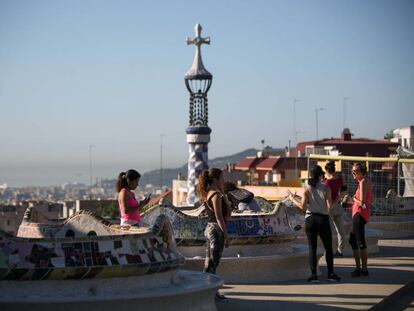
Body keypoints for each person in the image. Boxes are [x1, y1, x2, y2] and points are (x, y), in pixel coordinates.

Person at [287, 165, 341, 283]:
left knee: (312, 248)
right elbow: (329, 206)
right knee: (328, 248)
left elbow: (302, 207)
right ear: (321, 175)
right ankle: (330, 274)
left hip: (310, 220)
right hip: (323, 220)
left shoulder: (307, 188)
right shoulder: (326, 188)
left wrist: (291, 198)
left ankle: (314, 275)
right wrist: (339, 197)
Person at [197, 168, 231, 299]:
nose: (223, 180)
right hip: (216, 231)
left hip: (210, 229)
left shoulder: (208, 193)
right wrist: (226, 236)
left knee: (209, 263)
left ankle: (209, 291)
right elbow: (219, 217)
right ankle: (208, 292)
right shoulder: (216, 195)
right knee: (213, 263)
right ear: (216, 179)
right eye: (221, 178)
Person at [349, 162, 373, 277]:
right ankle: (360, 268)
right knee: (353, 240)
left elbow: (362, 203)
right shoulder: (365, 181)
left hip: (359, 215)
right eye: (352, 171)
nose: (353, 173)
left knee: (360, 242)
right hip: (360, 214)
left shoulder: (363, 182)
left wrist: (353, 198)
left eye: (355, 171)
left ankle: (363, 269)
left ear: (361, 172)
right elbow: (368, 200)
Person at [323, 161, 346, 257]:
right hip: (338, 206)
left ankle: (329, 252)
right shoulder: (340, 179)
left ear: (327, 171)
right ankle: (340, 251)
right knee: (341, 231)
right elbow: (343, 190)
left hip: (330, 207)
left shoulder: (327, 182)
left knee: (329, 231)